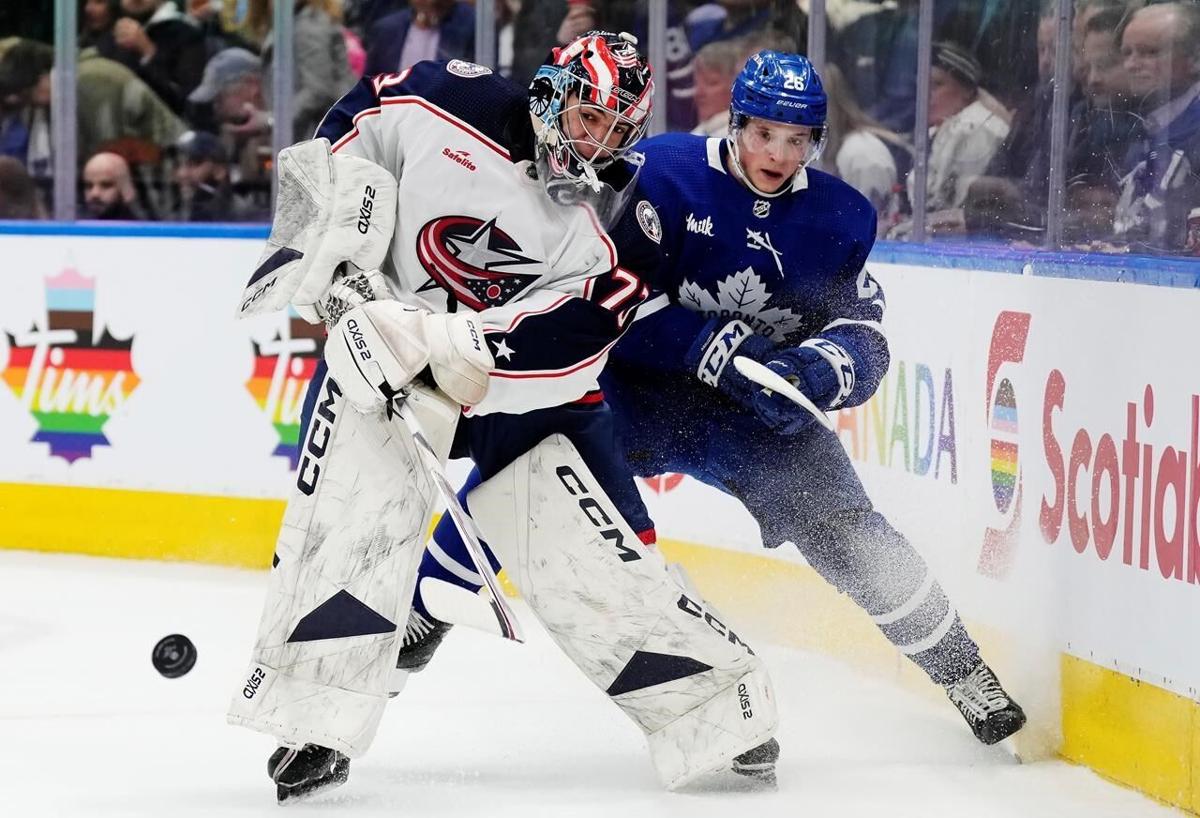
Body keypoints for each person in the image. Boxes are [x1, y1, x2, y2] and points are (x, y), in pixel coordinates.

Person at [417, 50, 1027, 750]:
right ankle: (422, 609)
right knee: (523, 466)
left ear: (816, 143)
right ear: (736, 123)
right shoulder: (660, 172)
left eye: (797, 140)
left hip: (752, 415)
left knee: (851, 532)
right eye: (764, 133)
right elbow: (600, 294)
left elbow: (863, 328)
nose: (778, 152)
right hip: (632, 391)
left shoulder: (841, 217)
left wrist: (824, 368)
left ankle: (964, 673)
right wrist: (699, 344)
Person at [228, 31, 780, 805]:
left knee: (590, 560)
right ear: (553, 94)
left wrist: (433, 338)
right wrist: (334, 257)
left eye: (620, 130)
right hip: (379, 357)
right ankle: (315, 721)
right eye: (590, 117)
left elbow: (576, 340)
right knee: (347, 526)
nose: (599, 143)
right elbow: (348, 135)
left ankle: (718, 709)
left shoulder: (628, 216)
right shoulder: (447, 97)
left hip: (524, 391)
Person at [1113, 2, 1200, 253]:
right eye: (1126, 53)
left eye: (1149, 52)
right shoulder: (1142, 129)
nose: (1131, 64)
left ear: (1195, 58)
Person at [81, 151, 147, 219]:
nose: (95, 194)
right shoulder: (76, 223)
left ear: (127, 190)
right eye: (89, 186)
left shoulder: (141, 228)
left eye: (106, 185)